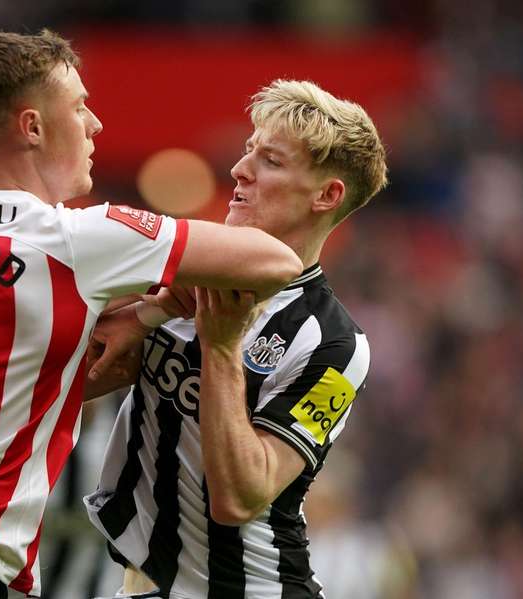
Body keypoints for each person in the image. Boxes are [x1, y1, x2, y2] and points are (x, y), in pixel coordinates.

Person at [0, 30, 302, 599]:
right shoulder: (70, 239)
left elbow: (9, 375)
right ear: (33, 127)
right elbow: (275, 261)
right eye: (80, 107)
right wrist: (167, 295)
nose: (95, 125)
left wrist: (148, 311)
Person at [84, 79, 388, 598]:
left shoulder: (336, 345)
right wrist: (146, 313)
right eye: (249, 150)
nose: (240, 170)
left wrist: (222, 349)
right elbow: (73, 383)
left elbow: (240, 498)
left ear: (326, 195)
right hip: (142, 584)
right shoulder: (180, 274)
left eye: (270, 161)